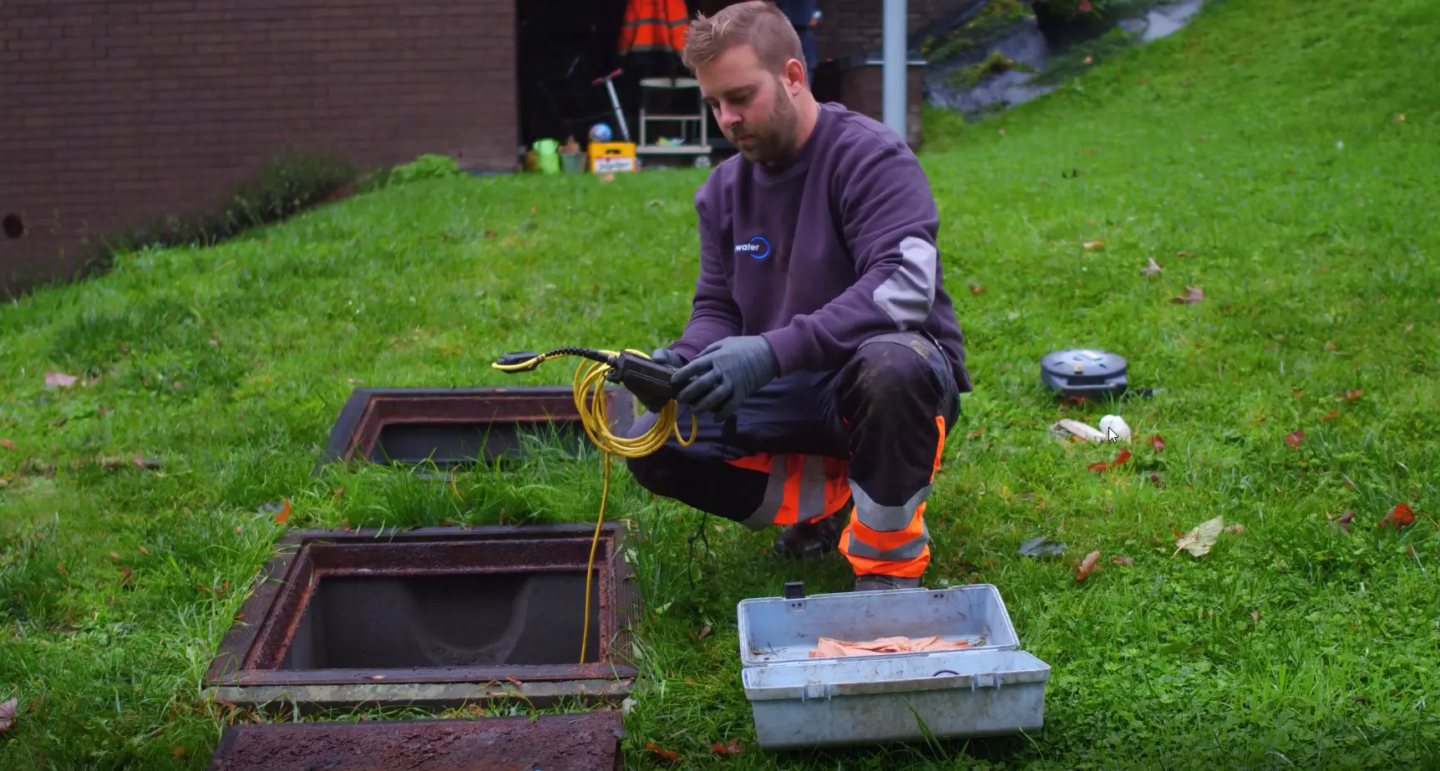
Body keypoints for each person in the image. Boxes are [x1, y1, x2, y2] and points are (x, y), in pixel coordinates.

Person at [622, 0, 971, 592]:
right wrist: (681, 362)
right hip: (786, 388)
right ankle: (828, 506)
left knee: (892, 370)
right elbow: (718, 307)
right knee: (649, 440)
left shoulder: (870, 156)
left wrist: (771, 351)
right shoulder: (722, 191)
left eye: (740, 97)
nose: (727, 119)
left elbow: (905, 287)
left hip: (879, 383)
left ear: (792, 76)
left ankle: (887, 570)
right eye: (714, 104)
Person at [774, 0, 820, 86]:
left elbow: (816, 10)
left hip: (805, 35)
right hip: (788, 32)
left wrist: (816, 15)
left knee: (805, 70)